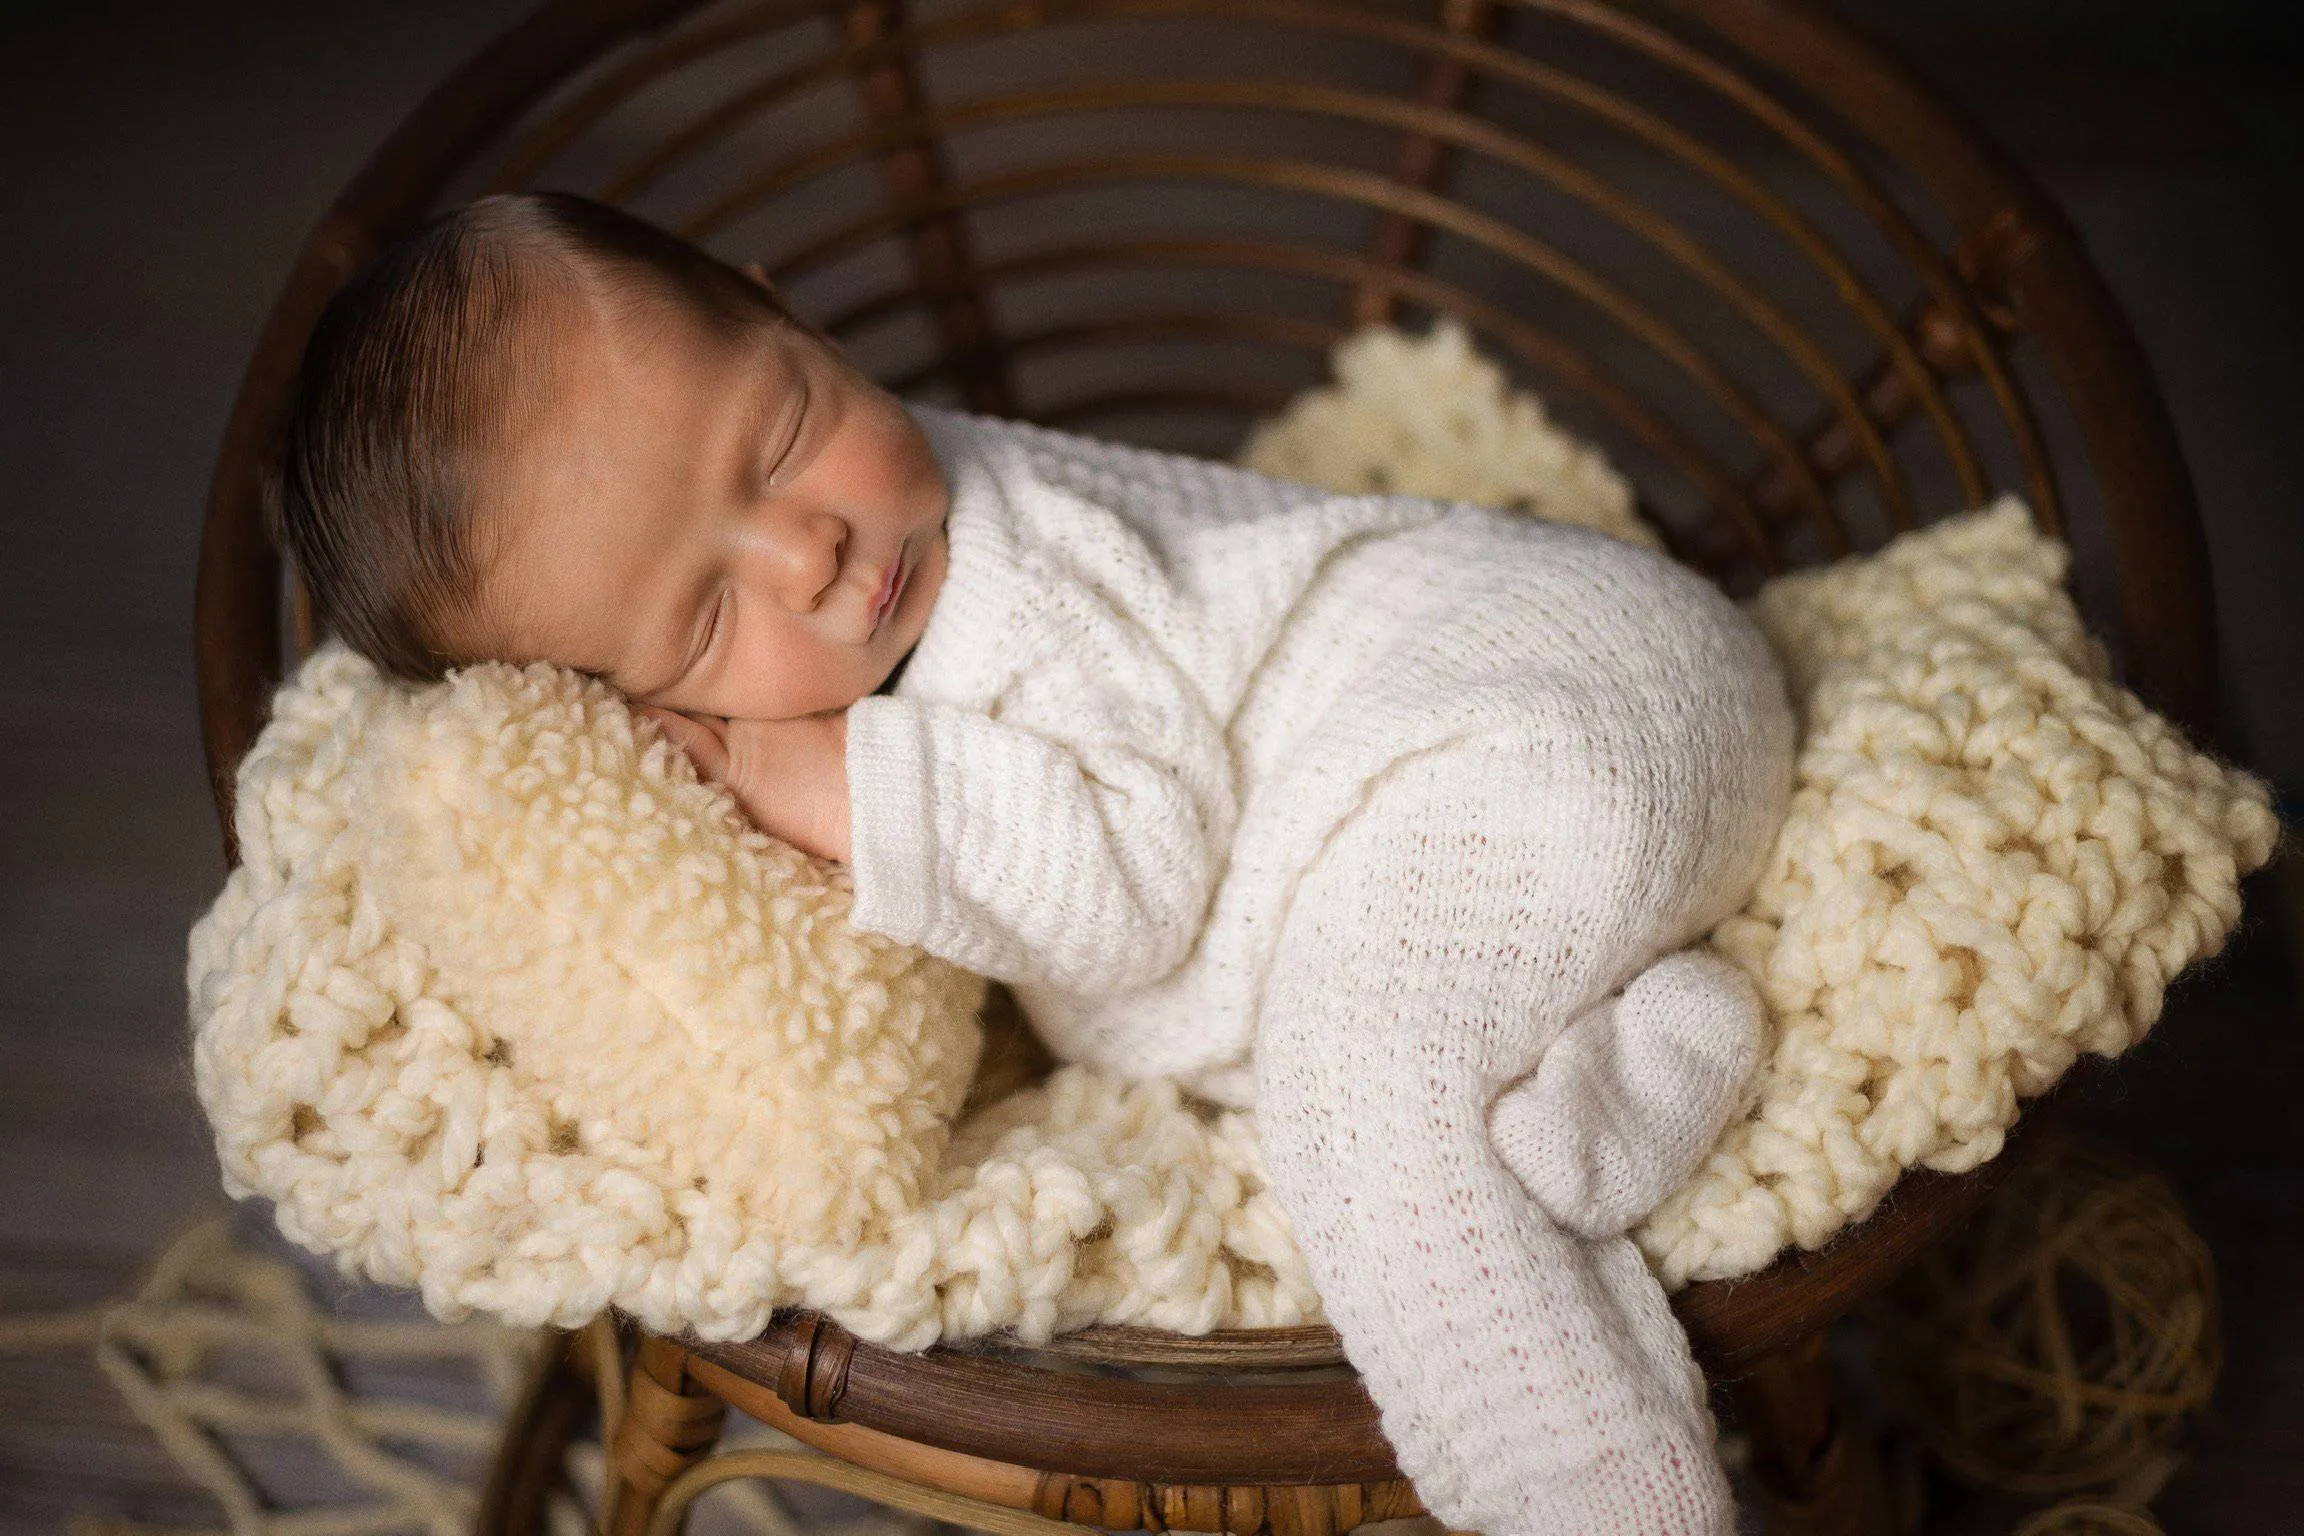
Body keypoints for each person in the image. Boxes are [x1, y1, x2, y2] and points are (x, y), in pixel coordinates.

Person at [270, 189, 1797, 1535]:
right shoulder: (854, 581)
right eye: (702, 622)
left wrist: (839, 782)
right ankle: (1639, 1065)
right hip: (1529, 791)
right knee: (1421, 1098)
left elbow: (1133, 890)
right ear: (624, 700)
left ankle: (1596, 1490)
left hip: (1552, 697)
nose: (804, 553)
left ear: (781, 308)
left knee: (1360, 1095)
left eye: (785, 434)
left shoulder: (1016, 574)